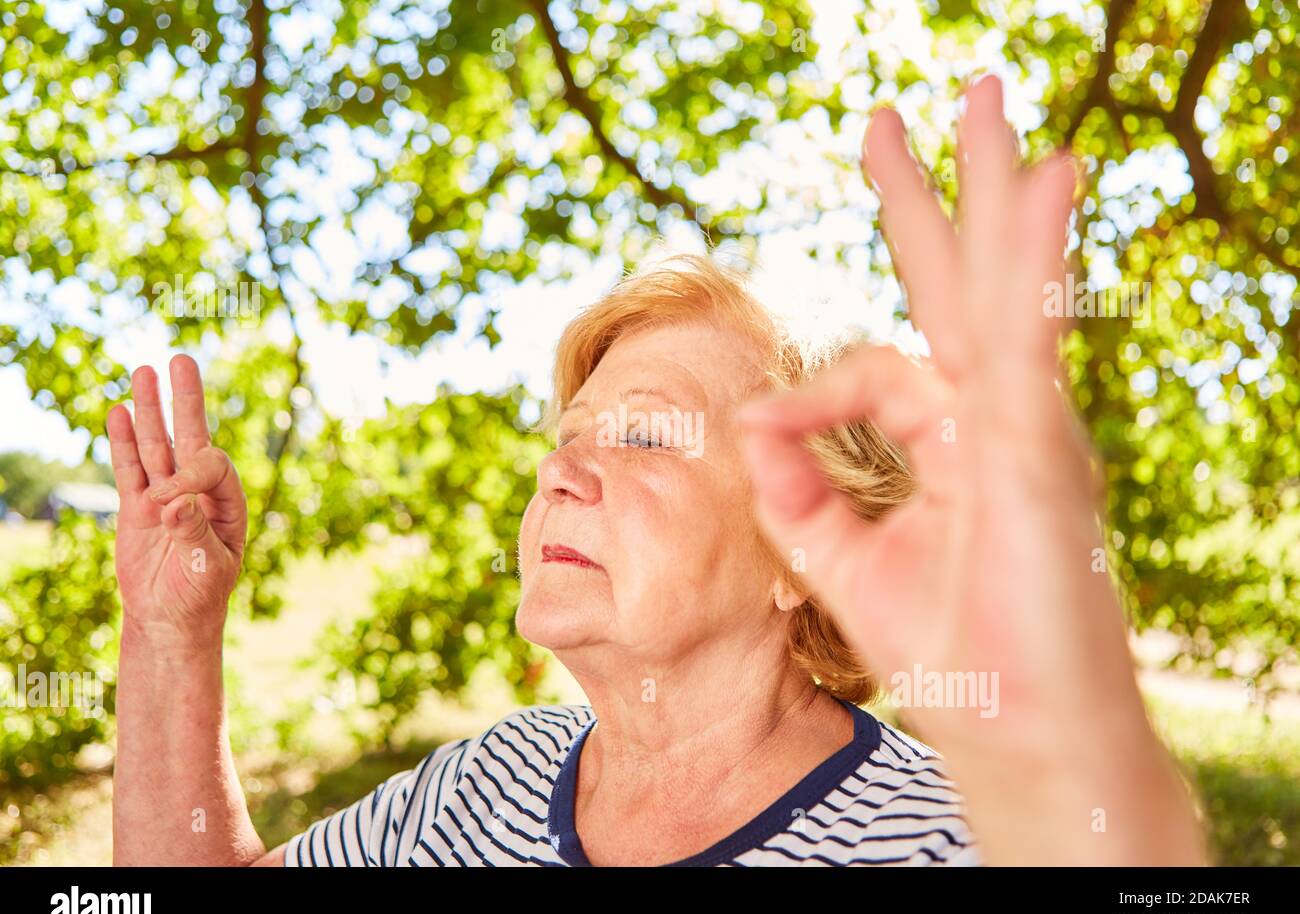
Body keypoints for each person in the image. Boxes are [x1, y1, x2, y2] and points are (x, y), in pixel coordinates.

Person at [109, 75, 1207, 866]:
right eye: (568, 433)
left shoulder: (958, 836)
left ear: (803, 553)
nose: (560, 473)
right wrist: (171, 640)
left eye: (642, 433)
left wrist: (1077, 753)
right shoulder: (486, 778)